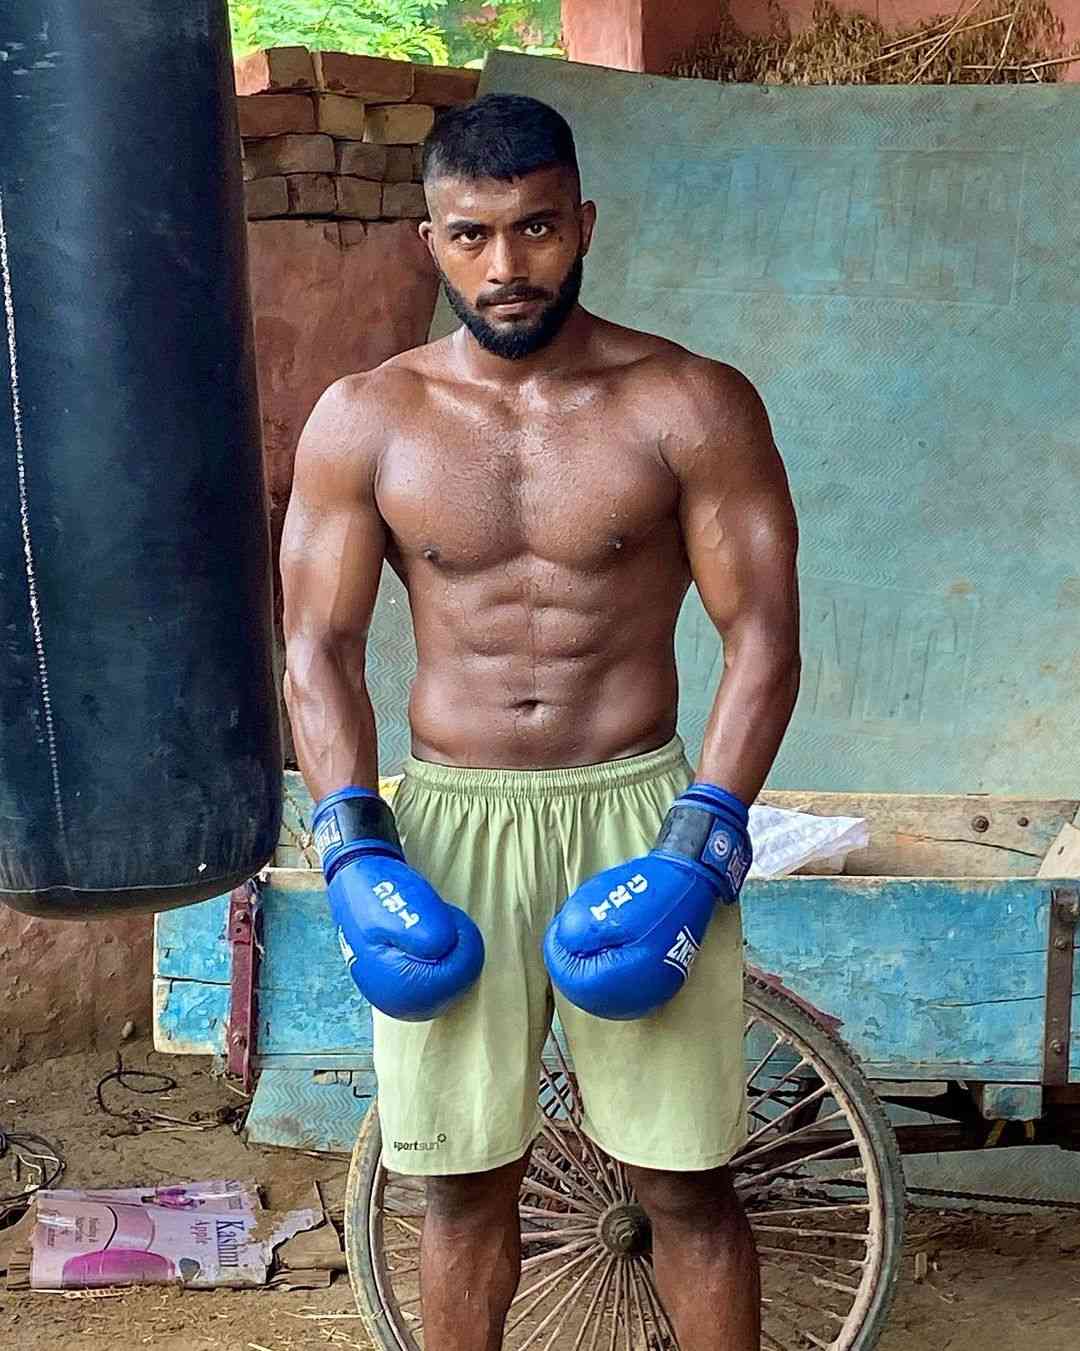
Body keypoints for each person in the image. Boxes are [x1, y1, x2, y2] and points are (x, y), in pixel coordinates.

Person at [281, 93, 800, 1351]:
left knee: (684, 1183)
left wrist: (706, 836)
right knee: (458, 1186)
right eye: (471, 237)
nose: (504, 268)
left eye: (535, 230)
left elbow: (765, 641)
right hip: (449, 820)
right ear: (429, 242)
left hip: (641, 807)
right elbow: (317, 646)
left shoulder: (689, 402)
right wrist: (351, 839)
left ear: (584, 225)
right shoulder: (369, 419)